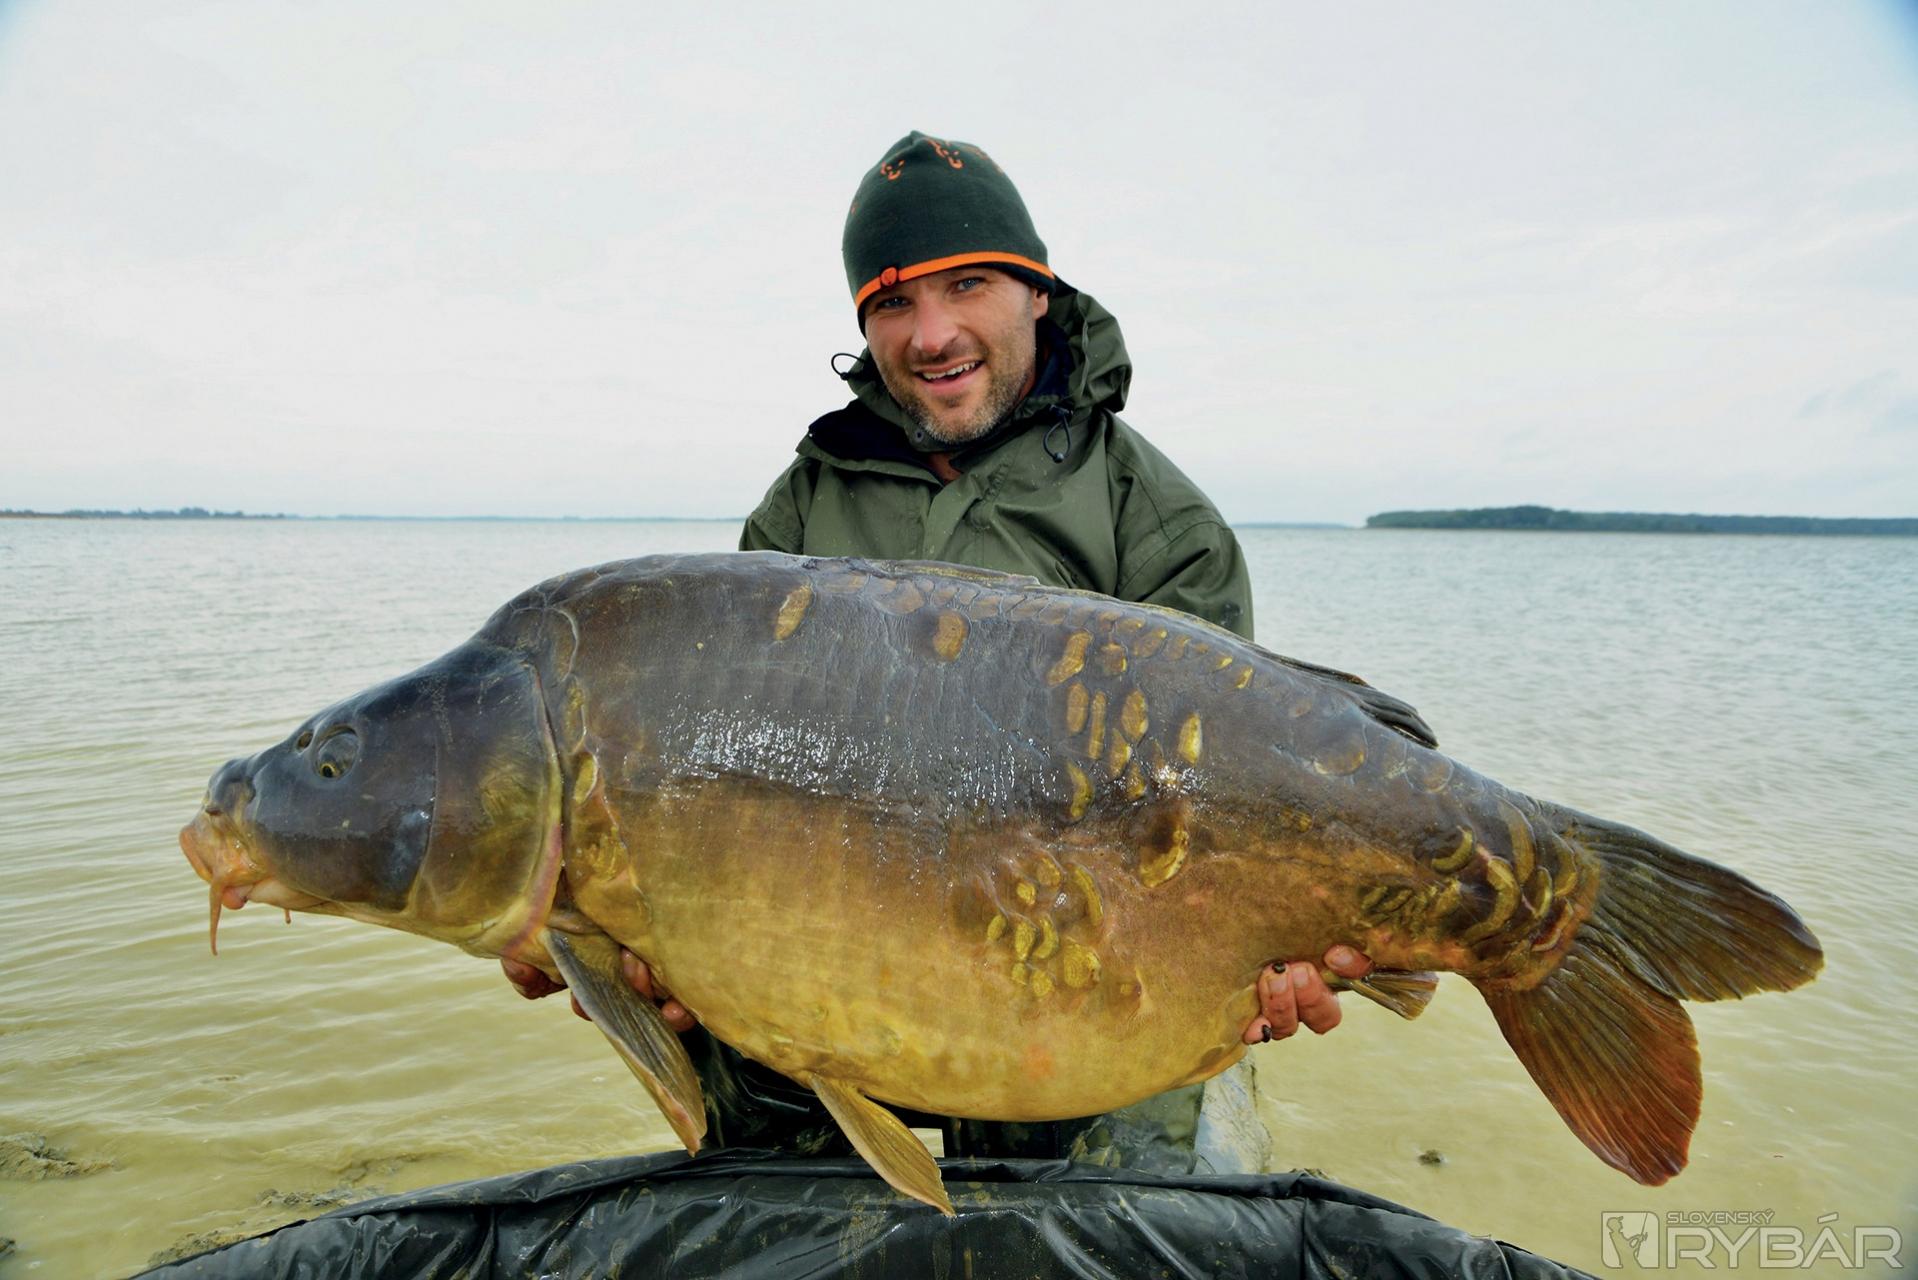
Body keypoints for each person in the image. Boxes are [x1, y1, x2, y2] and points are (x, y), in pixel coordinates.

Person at [504, 130, 1373, 1173]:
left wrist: (1278, 950)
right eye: (891, 302)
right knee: (769, 1154)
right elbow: (719, 779)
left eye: (967, 284)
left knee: (1119, 1179)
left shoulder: (1157, 520)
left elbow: (1220, 802)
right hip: (828, 986)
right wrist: (627, 936)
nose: (931, 333)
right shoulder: (798, 511)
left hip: (1077, 994)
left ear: (1037, 290)